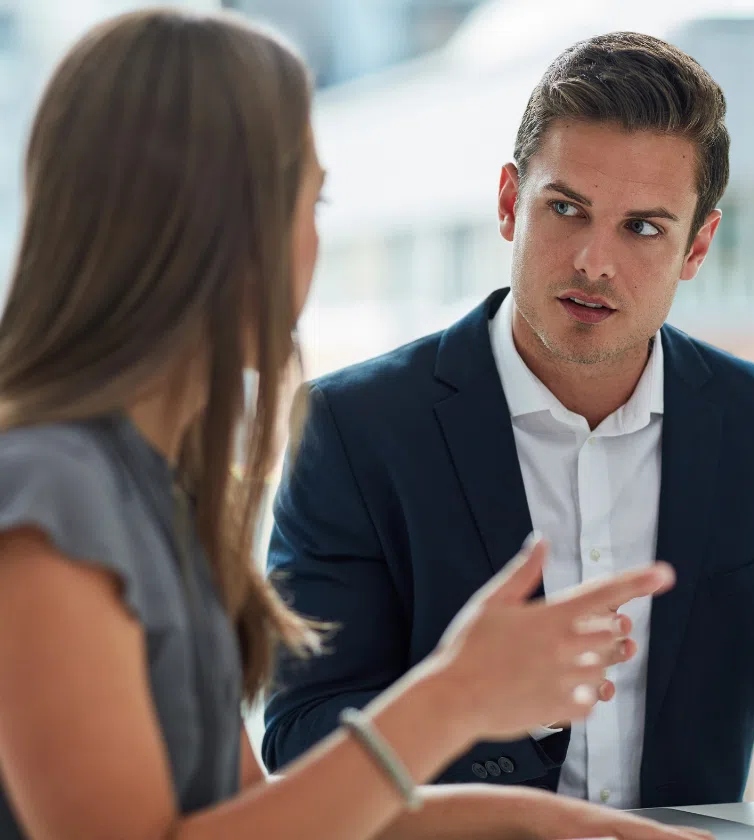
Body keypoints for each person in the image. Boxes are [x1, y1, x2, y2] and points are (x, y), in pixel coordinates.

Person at [0, 9, 713, 840]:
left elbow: (247, 819)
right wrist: (453, 698)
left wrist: (557, 826)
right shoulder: (46, 497)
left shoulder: (149, 490)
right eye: (312, 199)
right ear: (211, 227)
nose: (314, 244)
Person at [263, 30, 754, 810]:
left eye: (643, 228)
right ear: (512, 202)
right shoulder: (350, 430)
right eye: (567, 209)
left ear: (698, 246)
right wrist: (485, 699)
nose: (593, 261)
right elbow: (297, 732)